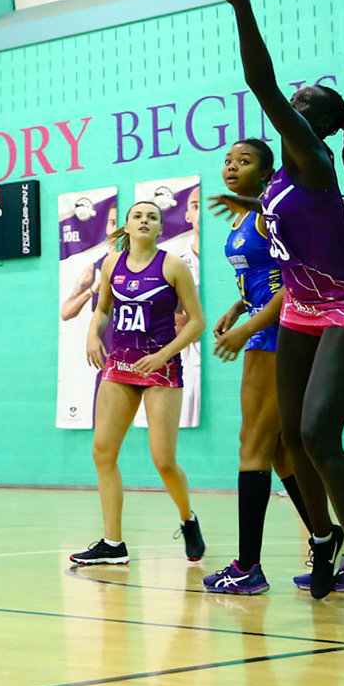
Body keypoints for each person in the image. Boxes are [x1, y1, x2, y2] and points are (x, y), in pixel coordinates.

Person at [203, 0, 344, 633]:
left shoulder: (312, 160)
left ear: (315, 123)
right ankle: (322, 541)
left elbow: (262, 86)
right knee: (288, 436)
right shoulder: (282, 180)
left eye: (302, 103)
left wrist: (240, 6)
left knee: (318, 434)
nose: (293, 104)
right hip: (305, 307)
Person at [203, 139, 344, 595]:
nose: (231, 167)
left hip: (277, 331)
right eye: (227, 160)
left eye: (243, 162)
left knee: (253, 445)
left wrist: (248, 329)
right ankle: (329, 544)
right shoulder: (247, 215)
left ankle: (248, 566)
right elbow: (264, 276)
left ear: (265, 174)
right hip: (264, 324)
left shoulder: (270, 215)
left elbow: (294, 284)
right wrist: (236, 308)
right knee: (281, 448)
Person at [69, 201, 207, 567]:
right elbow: (102, 310)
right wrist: (91, 335)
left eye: (153, 217)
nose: (145, 221)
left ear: (160, 228)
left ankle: (187, 518)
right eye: (138, 216)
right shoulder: (112, 263)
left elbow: (196, 322)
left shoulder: (173, 265)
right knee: (103, 451)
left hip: (161, 368)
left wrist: (163, 356)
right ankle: (113, 543)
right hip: (120, 365)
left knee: (163, 460)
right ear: (127, 225)